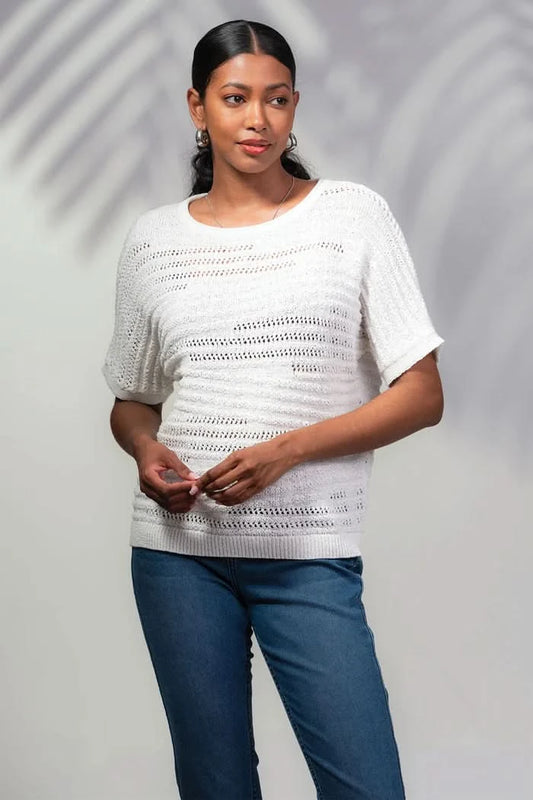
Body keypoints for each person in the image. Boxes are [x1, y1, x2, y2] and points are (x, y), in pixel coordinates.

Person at [101, 18, 444, 800]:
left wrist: (286, 450)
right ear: (197, 106)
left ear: (294, 106)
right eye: (234, 98)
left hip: (306, 553)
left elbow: (422, 394)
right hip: (177, 554)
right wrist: (146, 451)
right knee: (215, 785)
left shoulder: (350, 218)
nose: (257, 118)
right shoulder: (153, 243)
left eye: (276, 98)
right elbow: (132, 401)